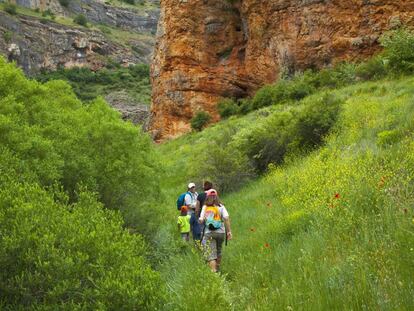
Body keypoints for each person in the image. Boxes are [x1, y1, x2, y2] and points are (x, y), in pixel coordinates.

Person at [199, 189, 232, 273]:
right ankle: (218, 270)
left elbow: (201, 219)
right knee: (219, 251)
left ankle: (214, 274)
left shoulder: (205, 207)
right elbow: (226, 218)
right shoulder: (221, 206)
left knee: (211, 255)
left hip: (209, 233)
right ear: (216, 196)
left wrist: (202, 220)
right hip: (221, 232)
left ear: (207, 197)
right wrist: (229, 232)